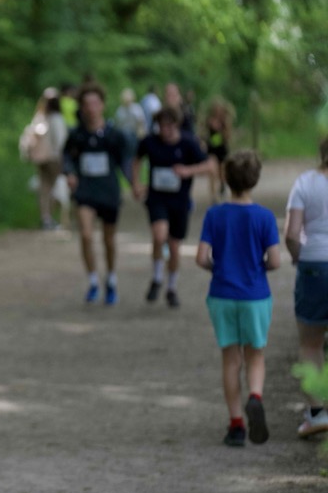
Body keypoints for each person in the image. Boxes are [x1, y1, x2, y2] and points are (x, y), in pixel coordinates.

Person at [196, 151, 280, 447]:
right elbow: (275, 261)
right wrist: (259, 267)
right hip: (255, 296)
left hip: (222, 294)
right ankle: (255, 397)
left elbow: (201, 257)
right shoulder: (264, 217)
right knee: (255, 355)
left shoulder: (214, 215)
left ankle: (235, 426)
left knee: (231, 360)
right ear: (255, 180)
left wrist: (217, 268)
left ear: (225, 178)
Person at [131, 107, 213, 308]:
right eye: (161, 126)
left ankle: (171, 287)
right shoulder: (150, 142)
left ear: (176, 125)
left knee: (175, 246)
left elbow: (210, 166)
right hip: (157, 198)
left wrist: (188, 170)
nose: (165, 130)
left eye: (169, 126)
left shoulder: (188, 143)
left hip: (179, 201)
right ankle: (157, 277)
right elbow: (136, 159)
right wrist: (136, 183)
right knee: (159, 236)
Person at [63, 83, 133, 304]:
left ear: (102, 105)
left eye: (95, 103)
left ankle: (111, 278)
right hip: (85, 191)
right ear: (82, 107)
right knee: (86, 234)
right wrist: (70, 173)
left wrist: (134, 184)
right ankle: (93, 280)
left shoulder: (114, 135)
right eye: (87, 104)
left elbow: (125, 163)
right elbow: (66, 157)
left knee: (108, 239)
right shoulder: (77, 135)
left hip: (108, 191)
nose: (91, 108)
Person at [284, 136, 328, 438]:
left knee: (311, 343)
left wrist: (299, 257)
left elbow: (291, 234)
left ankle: (316, 414)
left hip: (314, 265)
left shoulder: (305, 183)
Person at [22, 88, 68, 230]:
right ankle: (51, 218)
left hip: (41, 158)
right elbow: (60, 141)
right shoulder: (57, 118)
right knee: (54, 187)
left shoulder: (40, 117)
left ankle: (45, 218)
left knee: (44, 188)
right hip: (54, 158)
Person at [203, 98, 234, 204]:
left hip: (222, 149)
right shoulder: (209, 120)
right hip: (212, 149)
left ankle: (222, 186)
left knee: (222, 172)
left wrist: (222, 129)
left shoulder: (225, 121)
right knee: (212, 172)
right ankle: (213, 196)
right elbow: (205, 134)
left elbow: (228, 136)